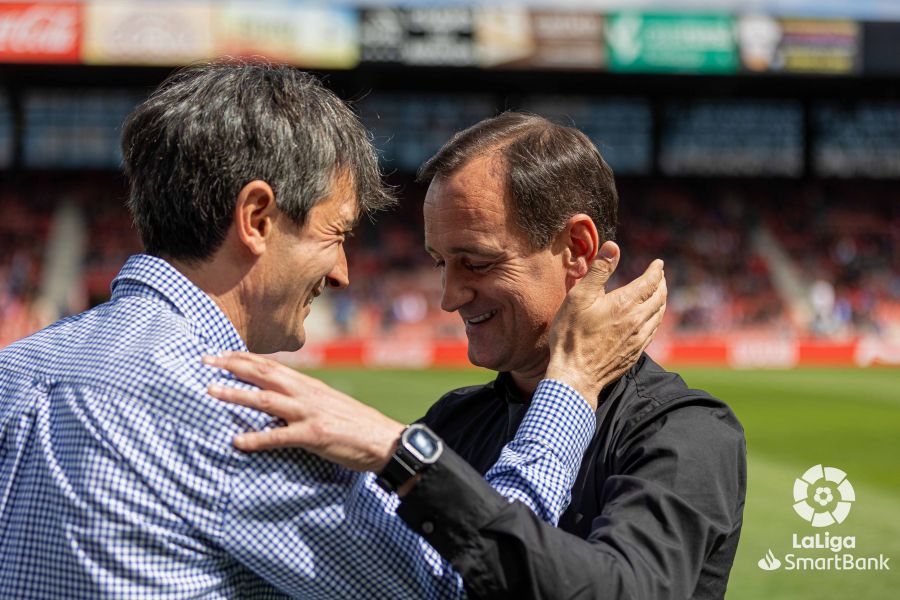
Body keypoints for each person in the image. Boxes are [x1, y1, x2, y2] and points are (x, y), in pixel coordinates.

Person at [0, 64, 665, 598]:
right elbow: (466, 582)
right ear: (257, 218)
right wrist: (571, 384)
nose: (345, 271)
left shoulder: (17, 369)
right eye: (335, 233)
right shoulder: (237, 411)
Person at [208, 113, 746, 599]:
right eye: (441, 263)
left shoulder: (686, 433)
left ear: (576, 250)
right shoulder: (452, 423)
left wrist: (409, 456)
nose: (448, 296)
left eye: (477, 263)